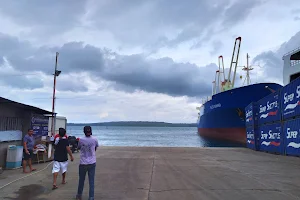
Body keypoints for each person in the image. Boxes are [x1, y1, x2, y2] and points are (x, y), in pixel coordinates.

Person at [76, 126, 99, 200]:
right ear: (91, 131)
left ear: (84, 131)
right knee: (91, 181)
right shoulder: (94, 139)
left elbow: (79, 147)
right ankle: (91, 197)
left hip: (83, 163)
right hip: (92, 162)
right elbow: (95, 148)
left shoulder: (81, 140)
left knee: (81, 180)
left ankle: (79, 195)